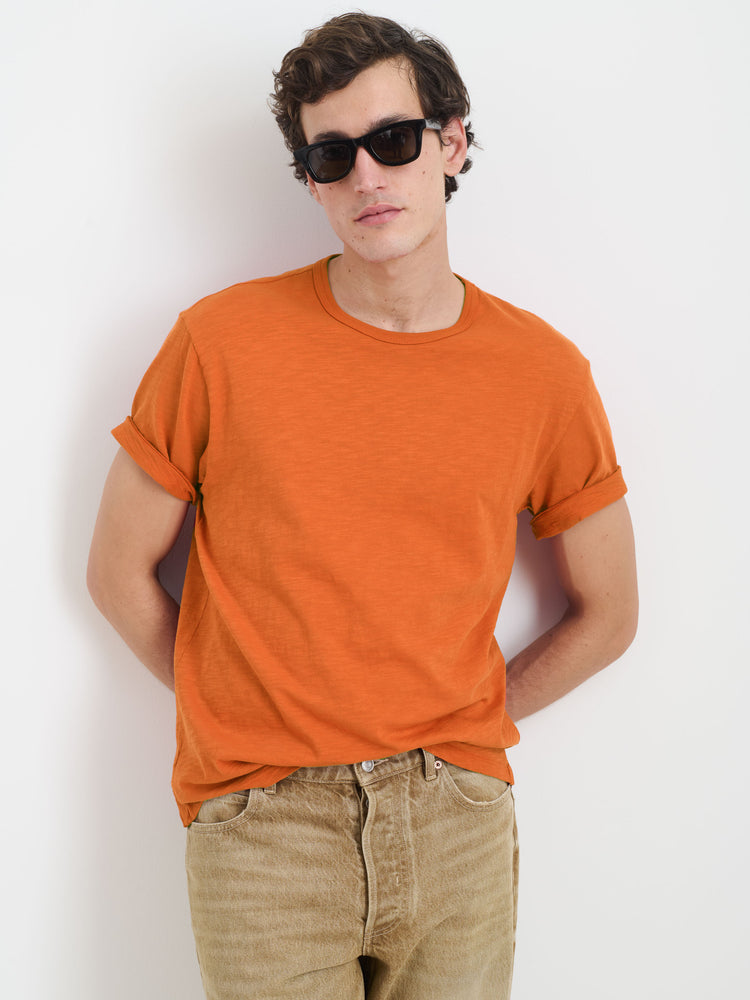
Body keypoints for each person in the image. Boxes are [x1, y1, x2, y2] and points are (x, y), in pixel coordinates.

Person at [87, 12, 638, 1000]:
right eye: (332, 156)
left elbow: (610, 611)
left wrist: (473, 727)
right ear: (310, 178)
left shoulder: (542, 373)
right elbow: (116, 570)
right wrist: (237, 711)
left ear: (451, 141)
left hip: (457, 817)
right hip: (265, 835)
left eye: (393, 140)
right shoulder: (219, 344)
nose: (367, 177)